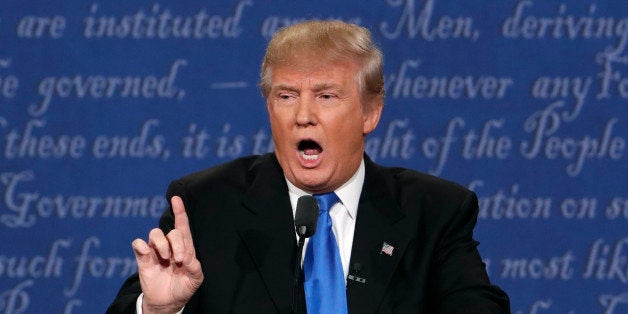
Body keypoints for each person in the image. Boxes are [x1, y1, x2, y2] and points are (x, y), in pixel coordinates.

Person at [108, 20, 510, 313]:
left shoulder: (435, 212)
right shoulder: (204, 205)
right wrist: (159, 311)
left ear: (370, 113)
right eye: (286, 96)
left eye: (326, 96)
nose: (303, 116)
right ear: (269, 109)